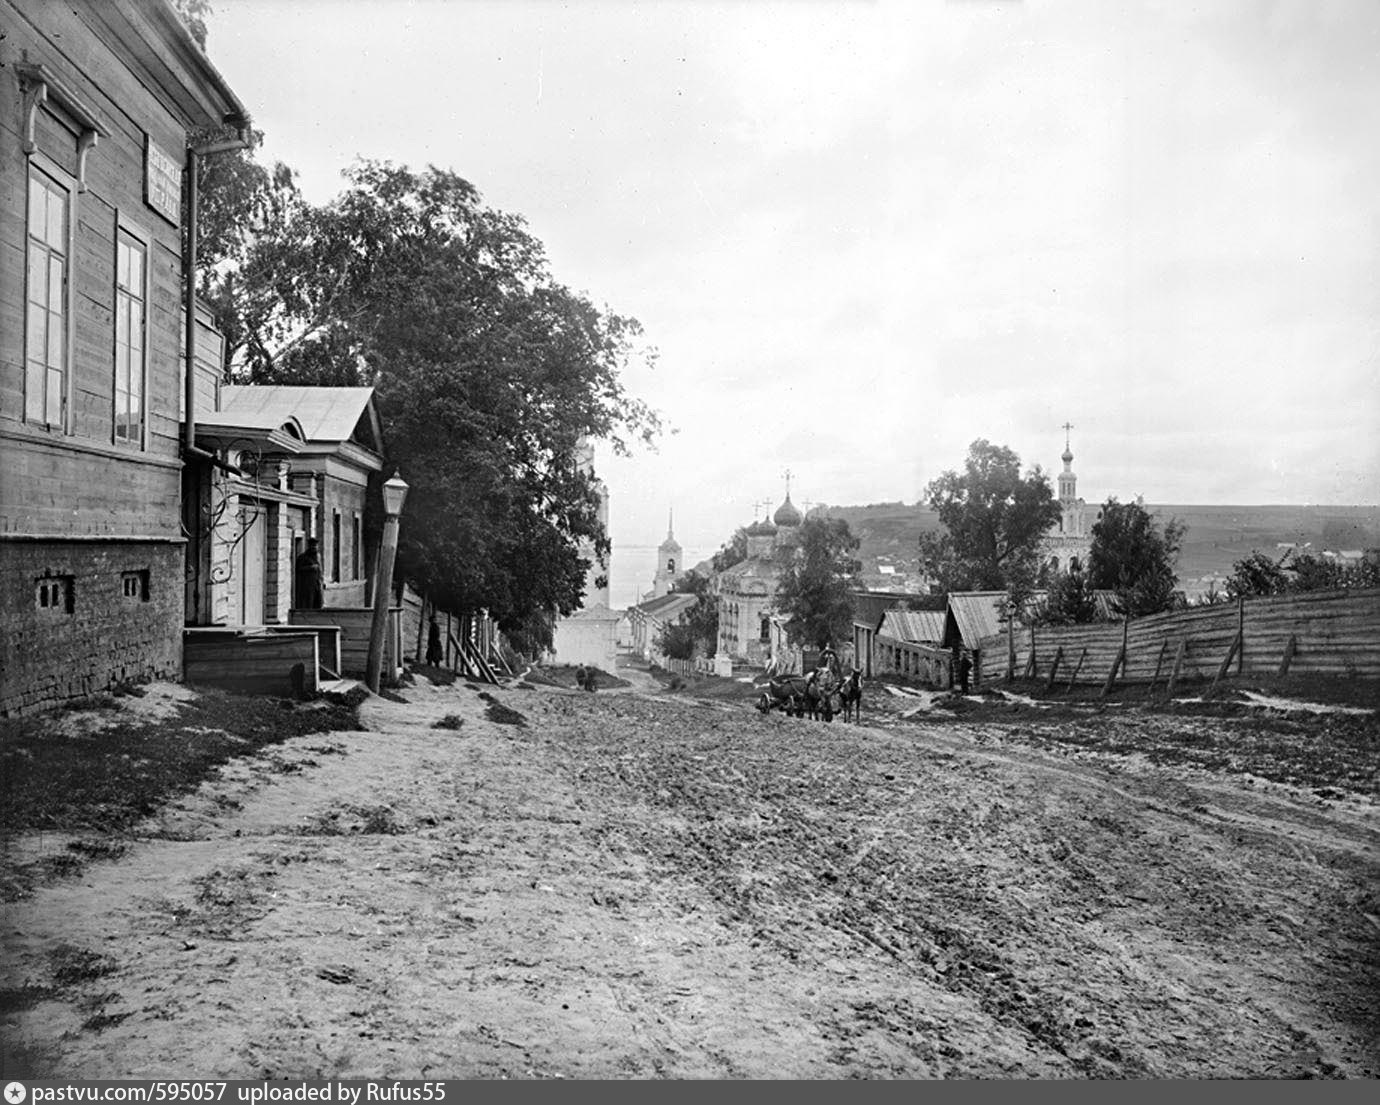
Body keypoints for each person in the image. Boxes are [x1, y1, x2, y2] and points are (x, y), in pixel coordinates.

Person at [294, 538, 324, 609]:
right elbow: (299, 569)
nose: (315, 547)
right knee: (309, 604)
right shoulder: (303, 557)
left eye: (316, 546)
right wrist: (310, 567)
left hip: (317, 584)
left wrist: (322, 581)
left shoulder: (318, 556)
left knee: (319, 603)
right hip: (308, 585)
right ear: (309, 546)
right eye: (313, 546)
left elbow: (320, 569)